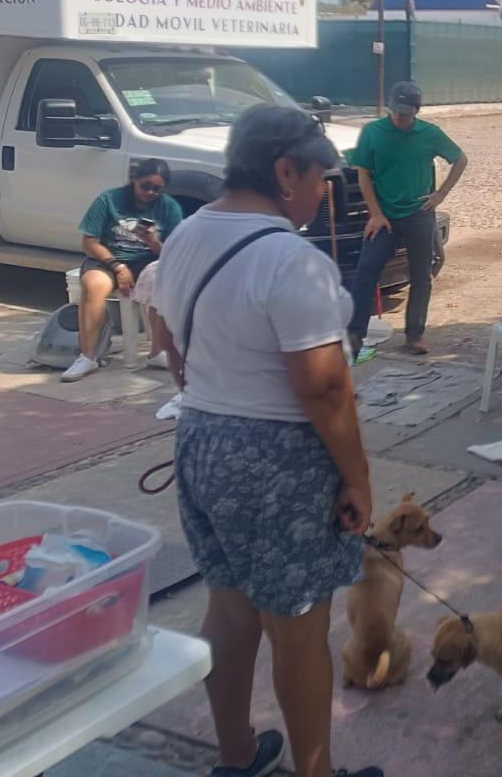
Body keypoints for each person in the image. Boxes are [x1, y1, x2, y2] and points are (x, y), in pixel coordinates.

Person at [154, 105, 381, 777]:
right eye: (320, 179)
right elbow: (325, 388)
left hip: (200, 438)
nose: (323, 194)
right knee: (299, 630)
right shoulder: (291, 258)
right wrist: (359, 478)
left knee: (229, 608)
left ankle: (237, 755)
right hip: (276, 461)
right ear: (286, 171)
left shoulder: (188, 233)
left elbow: (170, 345)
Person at [346, 80, 468, 357]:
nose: (401, 117)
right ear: (390, 107)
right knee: (366, 270)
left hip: (419, 213)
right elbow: (363, 172)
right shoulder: (373, 132)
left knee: (421, 276)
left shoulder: (429, 133)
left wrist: (441, 194)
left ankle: (414, 335)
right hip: (384, 215)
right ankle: (354, 334)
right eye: (397, 111)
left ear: (416, 111)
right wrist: (375, 213)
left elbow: (460, 159)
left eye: (407, 113)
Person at [63, 159, 183, 382]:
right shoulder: (109, 200)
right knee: (93, 285)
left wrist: (153, 241)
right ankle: (87, 356)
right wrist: (117, 266)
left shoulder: (169, 207)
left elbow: (175, 253)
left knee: (163, 281)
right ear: (134, 181)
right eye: (145, 186)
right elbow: (89, 242)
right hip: (108, 259)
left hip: (147, 261)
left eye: (157, 189)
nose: (150, 192)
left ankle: (158, 352)